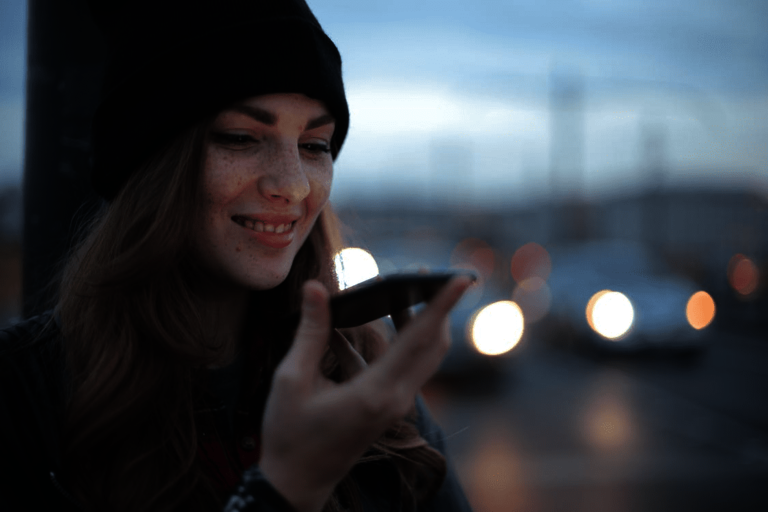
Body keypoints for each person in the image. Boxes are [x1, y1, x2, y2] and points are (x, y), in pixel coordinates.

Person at [0, 1, 474, 511]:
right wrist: (291, 486)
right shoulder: (19, 394)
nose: (293, 184)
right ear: (151, 165)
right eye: (242, 138)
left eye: (315, 145)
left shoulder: (360, 377)